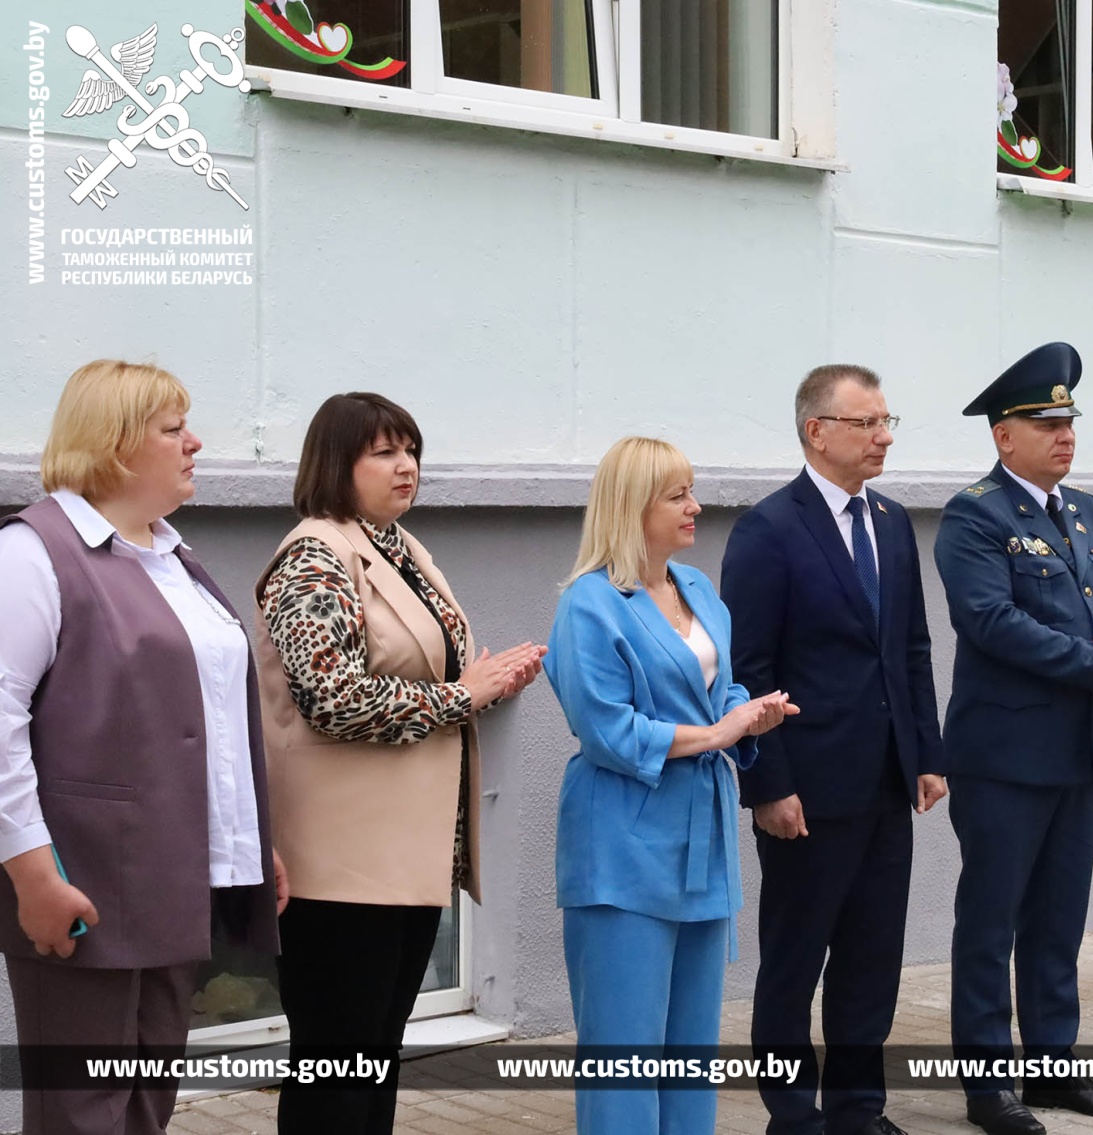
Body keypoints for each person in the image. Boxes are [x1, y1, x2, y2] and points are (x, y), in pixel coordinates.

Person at [0, 360, 285, 1135]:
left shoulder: (174, 558)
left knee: (145, 1108)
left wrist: (248, 842)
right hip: (84, 884)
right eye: (173, 429)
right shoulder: (34, 552)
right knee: (80, 1114)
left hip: (174, 883)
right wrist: (32, 872)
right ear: (116, 443)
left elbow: (206, 720)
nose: (195, 443)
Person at [253, 392, 546, 1134]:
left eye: (410, 449)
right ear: (336, 463)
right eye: (383, 452)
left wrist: (486, 685)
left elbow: (429, 675)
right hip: (337, 863)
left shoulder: (397, 547)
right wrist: (460, 694)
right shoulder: (314, 557)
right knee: (336, 1066)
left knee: (373, 1058)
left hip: (399, 856)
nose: (405, 465)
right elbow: (332, 698)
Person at [935, 343, 1093, 1135]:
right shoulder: (975, 515)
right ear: (1004, 435)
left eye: (1069, 421)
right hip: (1002, 757)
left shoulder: (1086, 511)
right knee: (991, 922)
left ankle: (1051, 1063)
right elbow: (992, 622)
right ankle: (986, 1084)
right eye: (1045, 423)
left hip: (1074, 749)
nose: (1065, 434)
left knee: (1058, 920)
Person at [546, 436, 799, 1135]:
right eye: (677, 495)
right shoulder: (590, 605)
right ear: (633, 507)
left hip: (700, 842)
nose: (696, 506)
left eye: (693, 490)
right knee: (624, 1051)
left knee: (691, 1050)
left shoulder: (697, 588)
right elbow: (606, 729)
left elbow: (719, 689)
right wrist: (719, 734)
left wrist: (750, 714)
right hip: (622, 844)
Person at [722, 365, 946, 1135]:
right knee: (795, 961)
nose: (884, 437)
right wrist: (767, 784)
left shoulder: (892, 521)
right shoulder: (770, 529)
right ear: (818, 431)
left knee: (871, 958)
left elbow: (910, 648)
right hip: (807, 792)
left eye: (888, 421)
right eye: (867, 423)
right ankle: (793, 1114)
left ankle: (858, 1109)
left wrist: (926, 752)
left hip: (884, 782)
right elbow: (748, 669)